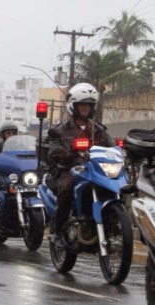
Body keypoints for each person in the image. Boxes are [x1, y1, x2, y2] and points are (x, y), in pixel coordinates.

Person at [48, 82, 115, 249]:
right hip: (70, 169)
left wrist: (120, 152)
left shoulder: (99, 130)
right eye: (82, 104)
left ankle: (111, 227)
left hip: (95, 170)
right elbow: (54, 148)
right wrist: (64, 153)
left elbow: (112, 147)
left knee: (113, 186)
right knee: (66, 188)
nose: (85, 108)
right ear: (73, 106)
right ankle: (58, 232)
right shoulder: (61, 130)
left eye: (89, 105)